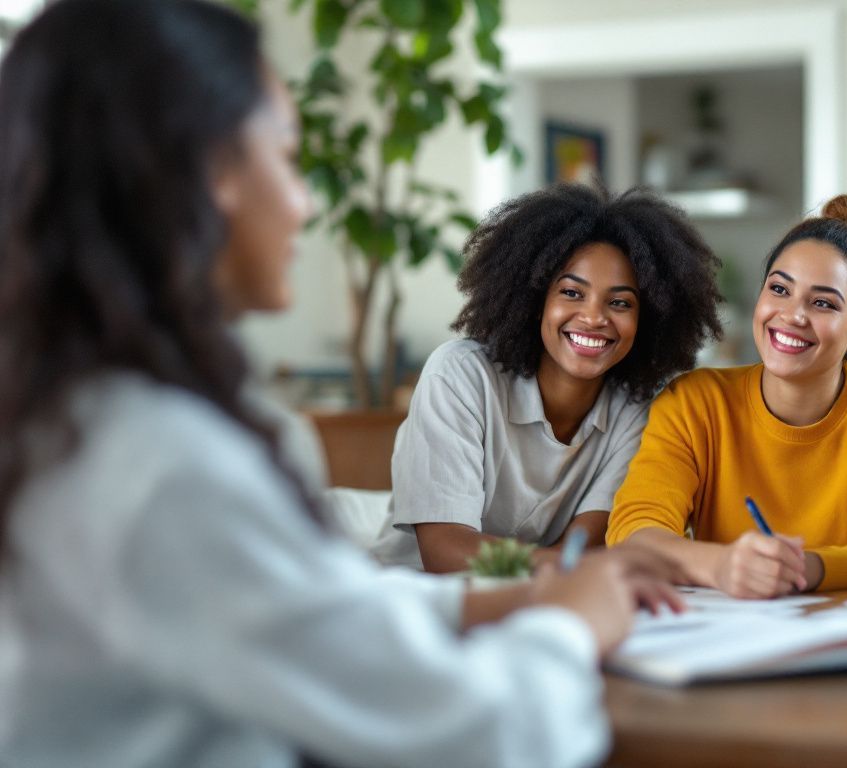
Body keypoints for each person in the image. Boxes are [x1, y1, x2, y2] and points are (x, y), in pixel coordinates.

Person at [0, 2, 680, 766]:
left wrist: (520, 598)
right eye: (286, 157)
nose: (306, 201)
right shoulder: (165, 467)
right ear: (209, 169)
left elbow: (321, 614)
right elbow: (478, 736)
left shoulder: (81, 417)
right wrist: (569, 625)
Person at [606, 195, 847, 598]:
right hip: (725, 632)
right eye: (779, 289)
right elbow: (633, 534)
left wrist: (804, 570)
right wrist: (720, 566)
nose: (792, 315)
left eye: (823, 302)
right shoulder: (693, 402)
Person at [371, 184, 723, 573]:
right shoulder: (460, 376)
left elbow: (581, 547)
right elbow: (446, 552)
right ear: (536, 301)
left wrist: (560, 571)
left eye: (620, 302)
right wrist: (556, 568)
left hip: (536, 606)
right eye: (572, 293)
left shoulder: (637, 412)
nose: (594, 317)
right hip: (415, 606)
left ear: (648, 320)